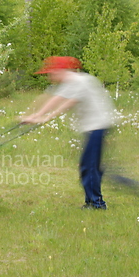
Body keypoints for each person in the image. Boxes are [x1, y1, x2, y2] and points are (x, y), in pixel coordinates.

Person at [21, 56, 116, 210]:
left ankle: (97, 204)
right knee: (89, 166)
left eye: (51, 73)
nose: (49, 76)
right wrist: (35, 116)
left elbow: (64, 104)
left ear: (60, 70)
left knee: (89, 167)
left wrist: (44, 118)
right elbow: (53, 99)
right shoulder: (71, 81)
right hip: (94, 127)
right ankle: (92, 202)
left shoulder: (78, 82)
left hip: (97, 127)